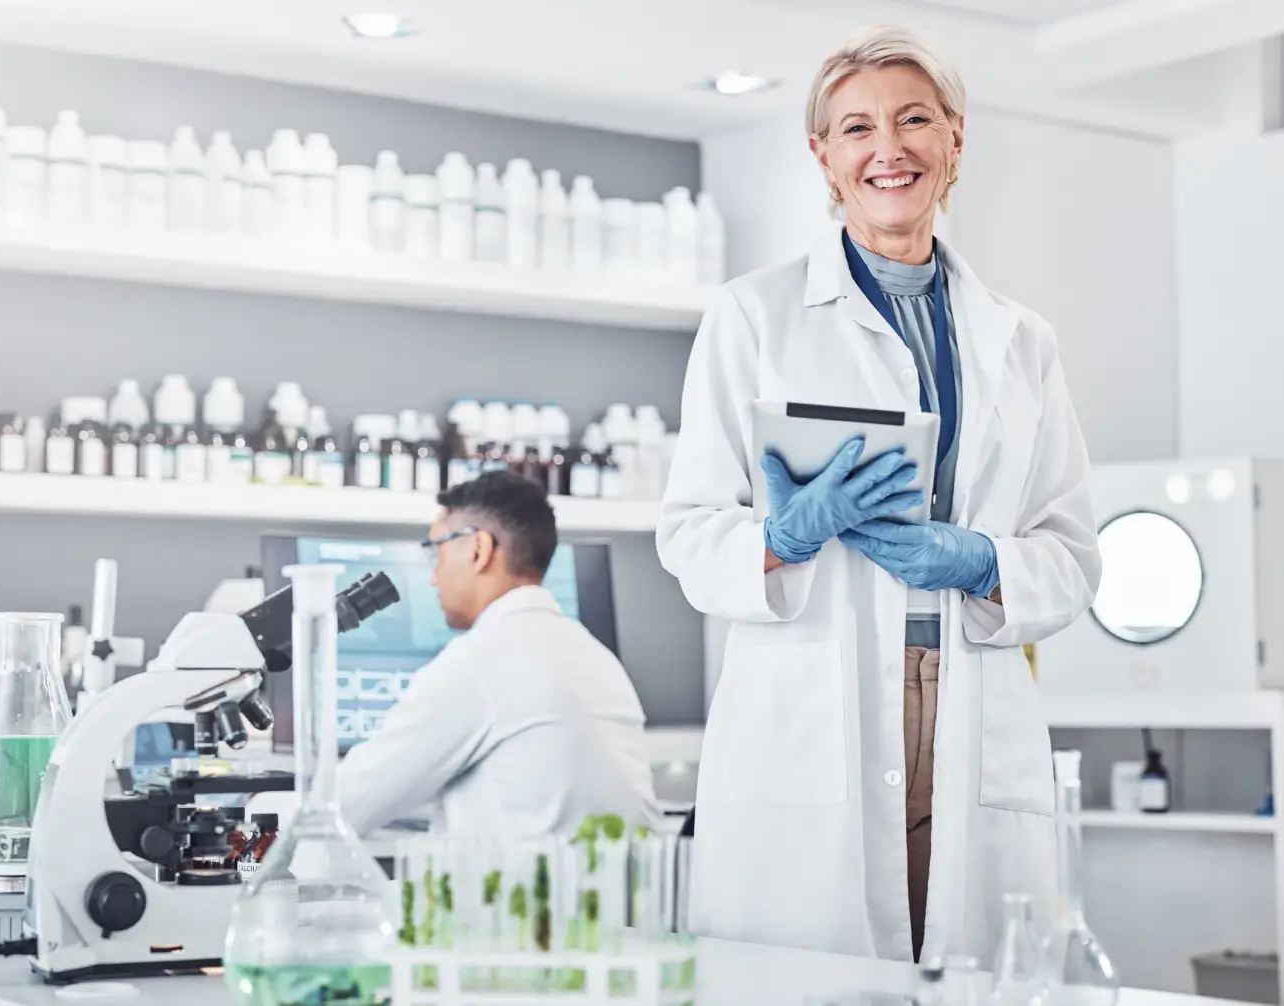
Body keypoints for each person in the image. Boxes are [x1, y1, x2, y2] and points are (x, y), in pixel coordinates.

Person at [656, 24, 1101, 964]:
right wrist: (785, 536)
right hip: (815, 696)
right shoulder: (753, 316)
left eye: (913, 120)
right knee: (812, 971)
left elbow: (1071, 553)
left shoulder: (1020, 340)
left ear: (955, 141)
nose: (886, 149)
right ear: (823, 155)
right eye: (856, 129)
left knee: (975, 970)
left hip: (970, 696)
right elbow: (690, 533)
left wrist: (983, 560)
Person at [339, 471, 661, 838]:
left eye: (436, 552)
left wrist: (262, 828)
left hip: (526, 893)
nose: (433, 577)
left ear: (478, 549)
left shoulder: (478, 662)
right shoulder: (598, 658)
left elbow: (346, 804)